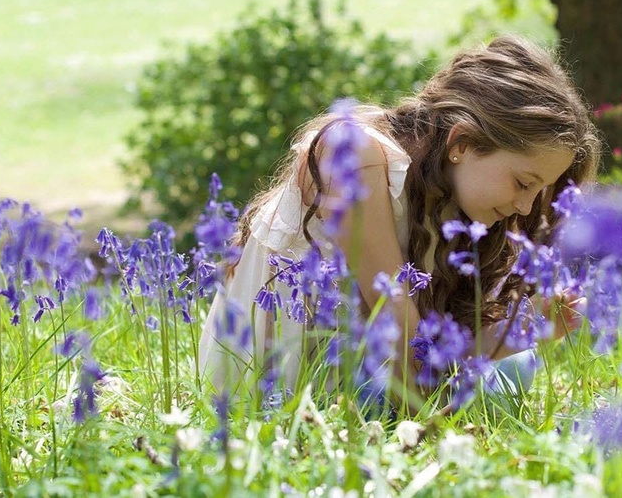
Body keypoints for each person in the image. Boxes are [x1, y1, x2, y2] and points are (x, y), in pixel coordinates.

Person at [198, 35, 601, 405]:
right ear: (462, 143)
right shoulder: (356, 153)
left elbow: (430, 348)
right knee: (484, 385)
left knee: (516, 366)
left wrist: (526, 325)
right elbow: (395, 329)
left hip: (372, 368)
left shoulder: (449, 204)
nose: (527, 208)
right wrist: (438, 429)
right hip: (286, 388)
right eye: (523, 183)